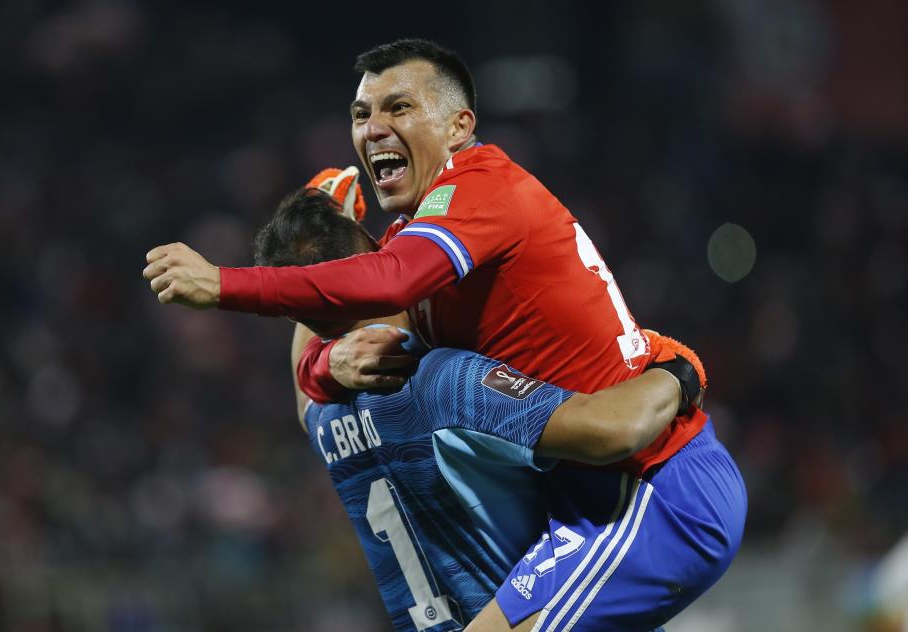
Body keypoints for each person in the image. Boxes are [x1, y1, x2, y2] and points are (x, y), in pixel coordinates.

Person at [142, 39, 747, 629]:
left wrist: (225, 285)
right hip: (583, 501)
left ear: (459, 125)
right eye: (361, 114)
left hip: (653, 485)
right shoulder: (421, 251)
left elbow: (385, 287)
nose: (373, 126)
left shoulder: (483, 192)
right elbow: (351, 317)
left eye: (398, 107)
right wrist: (326, 366)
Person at [258, 187, 702, 631]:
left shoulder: (321, 416)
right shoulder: (445, 383)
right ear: (375, 261)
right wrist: (679, 374)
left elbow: (308, 337)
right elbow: (609, 432)